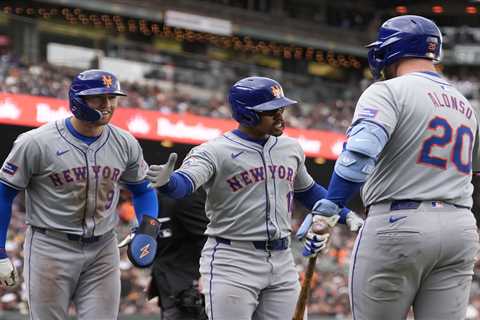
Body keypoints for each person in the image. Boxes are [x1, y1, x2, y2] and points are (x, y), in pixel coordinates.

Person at [298, 15, 480, 320]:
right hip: (459, 227)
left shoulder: (388, 90)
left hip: (400, 223)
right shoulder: (465, 105)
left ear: (393, 50)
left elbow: (358, 155)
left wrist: (330, 208)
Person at [146, 76, 363, 320]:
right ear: (247, 114)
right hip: (233, 258)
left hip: (282, 259)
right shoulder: (214, 151)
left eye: (281, 108)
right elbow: (185, 184)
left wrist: (345, 215)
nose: (281, 116)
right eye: (272, 111)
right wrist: (168, 183)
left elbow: (309, 192)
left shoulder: (290, 148)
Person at [0, 69, 160, 319]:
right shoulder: (35, 142)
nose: (107, 105)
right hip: (50, 245)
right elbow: (3, 194)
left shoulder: (125, 142)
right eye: (99, 97)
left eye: (112, 97)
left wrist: (148, 228)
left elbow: (143, 190)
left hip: (103, 248)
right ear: (78, 100)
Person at [147, 188, 208, 320]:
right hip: (167, 287)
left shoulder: (183, 197)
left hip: (190, 290)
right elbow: (162, 247)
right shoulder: (150, 200)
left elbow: (207, 237)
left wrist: (206, 273)